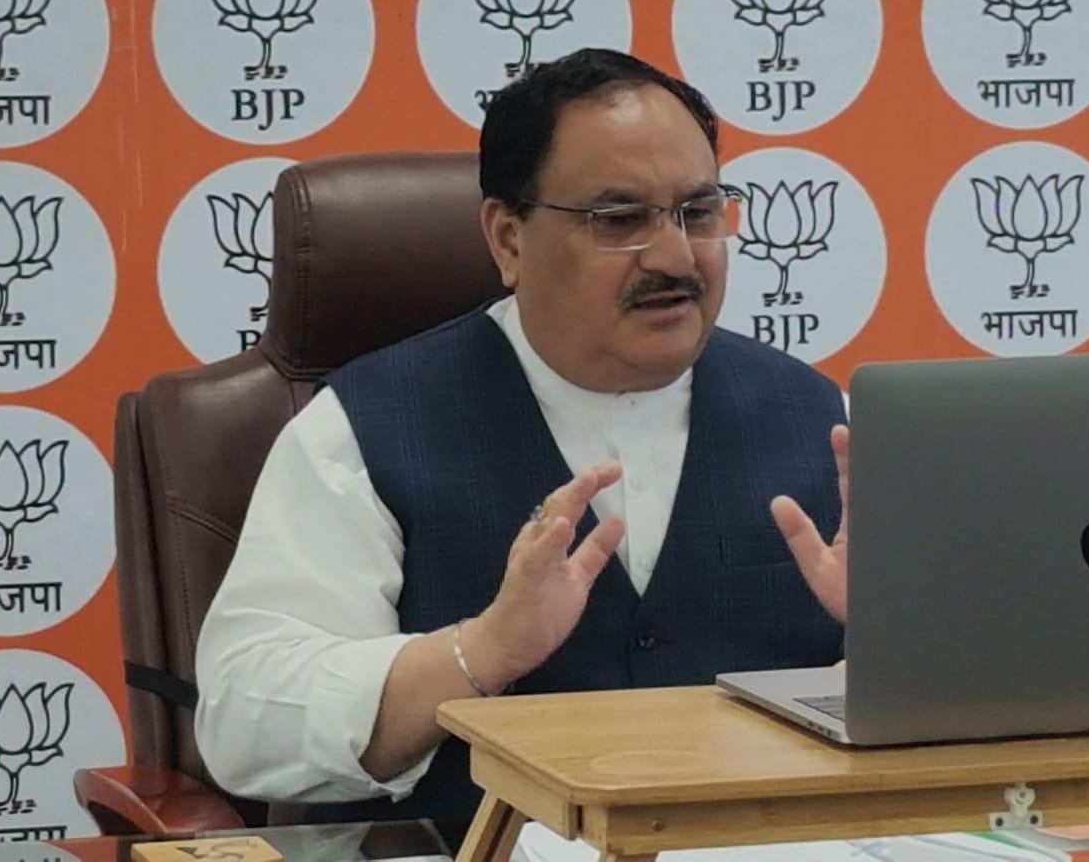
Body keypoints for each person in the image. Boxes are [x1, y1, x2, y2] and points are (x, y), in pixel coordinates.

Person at [194, 48, 850, 827]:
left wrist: (895, 656)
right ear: (508, 238)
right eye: (620, 219)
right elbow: (245, 720)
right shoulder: (364, 427)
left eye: (698, 212)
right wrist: (478, 654)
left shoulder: (822, 419)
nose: (676, 256)